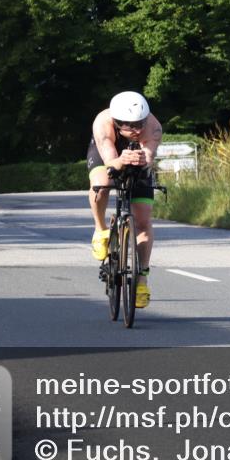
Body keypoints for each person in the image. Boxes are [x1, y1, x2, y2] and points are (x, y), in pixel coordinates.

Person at [88, 92, 162, 309]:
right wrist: (120, 161)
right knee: (101, 185)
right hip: (109, 154)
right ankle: (100, 230)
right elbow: (110, 162)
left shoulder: (153, 127)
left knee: (143, 220)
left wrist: (142, 160)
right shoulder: (103, 123)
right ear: (117, 121)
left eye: (140, 123)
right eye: (129, 126)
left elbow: (148, 159)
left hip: (137, 160)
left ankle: (142, 279)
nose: (137, 130)